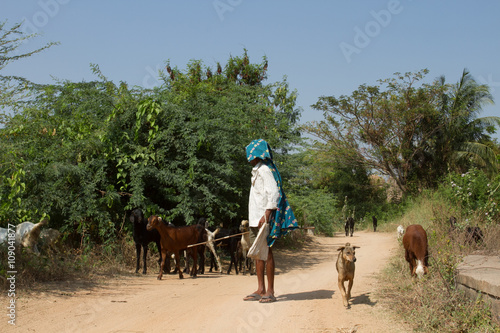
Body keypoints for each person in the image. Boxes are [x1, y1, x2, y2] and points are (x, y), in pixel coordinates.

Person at [243, 139, 298, 303]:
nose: (248, 159)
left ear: (256, 155)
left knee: (267, 253)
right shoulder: (256, 170)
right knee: (258, 254)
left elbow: (274, 193)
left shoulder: (265, 170)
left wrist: (266, 214)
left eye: (250, 155)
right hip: (255, 219)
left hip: (263, 219)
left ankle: (270, 291)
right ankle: (260, 289)